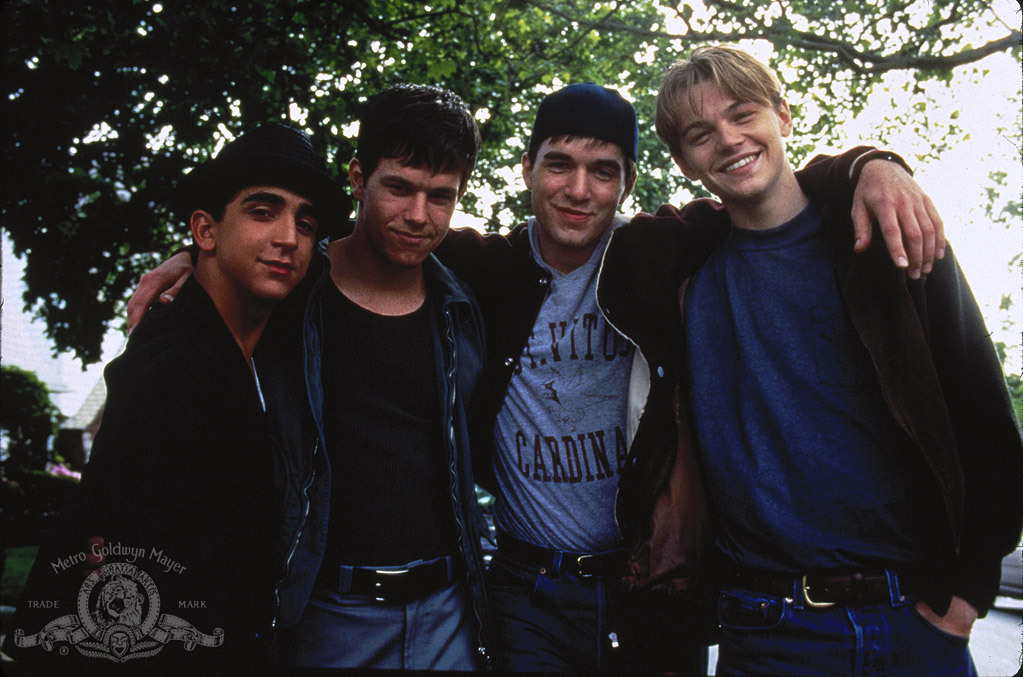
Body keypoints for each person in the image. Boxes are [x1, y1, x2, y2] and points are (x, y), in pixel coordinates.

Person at [126, 84, 946, 673]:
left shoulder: (660, 252)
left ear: (629, 182)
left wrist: (871, 164)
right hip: (521, 588)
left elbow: (766, 185)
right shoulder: (474, 266)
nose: (578, 189)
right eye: (559, 163)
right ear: (526, 169)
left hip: (648, 587)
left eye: (603, 169)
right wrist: (200, 262)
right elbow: (350, 236)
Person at [597, 44, 1023, 675]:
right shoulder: (682, 270)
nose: (729, 140)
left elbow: (983, 414)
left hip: (914, 618)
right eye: (700, 134)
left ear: (784, 116)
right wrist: (866, 162)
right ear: (685, 162)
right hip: (766, 625)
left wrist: (967, 592)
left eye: (744, 115)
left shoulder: (888, 238)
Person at [5, 123, 344, 668]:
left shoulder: (265, 341)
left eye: (305, 223)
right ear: (205, 230)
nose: (290, 238)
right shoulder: (175, 369)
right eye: (263, 211)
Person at [244, 84, 490, 670]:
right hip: (326, 615)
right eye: (399, 187)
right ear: (358, 177)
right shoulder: (293, 292)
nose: (417, 215)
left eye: (440, 196)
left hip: (448, 614)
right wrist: (188, 260)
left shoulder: (461, 307)